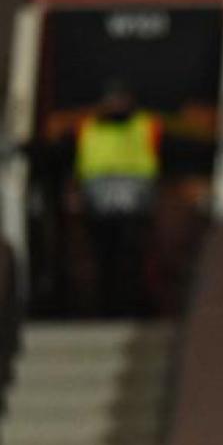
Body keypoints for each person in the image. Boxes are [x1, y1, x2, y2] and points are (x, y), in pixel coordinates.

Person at [70, 79, 161, 316]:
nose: (117, 105)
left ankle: (135, 306)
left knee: (133, 256)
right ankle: (105, 308)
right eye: (113, 100)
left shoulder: (145, 125)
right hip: (99, 204)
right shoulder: (88, 127)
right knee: (103, 257)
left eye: (121, 99)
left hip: (135, 204)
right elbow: (73, 159)